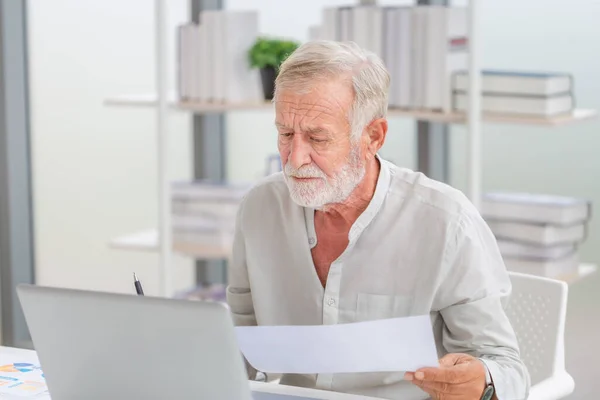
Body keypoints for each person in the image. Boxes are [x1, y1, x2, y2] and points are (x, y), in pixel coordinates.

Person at [226, 40, 530, 400]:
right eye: (286, 134)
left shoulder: (447, 222)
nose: (295, 158)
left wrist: (482, 382)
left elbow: (506, 368)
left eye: (318, 138)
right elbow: (236, 346)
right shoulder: (260, 208)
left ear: (373, 136)